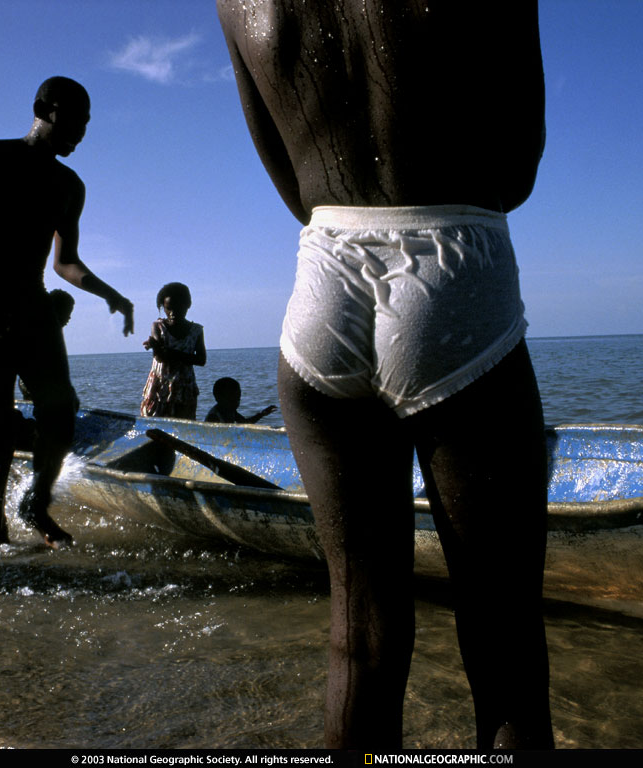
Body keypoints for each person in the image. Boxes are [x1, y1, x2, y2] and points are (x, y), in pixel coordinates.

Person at [218, 1, 553, 750]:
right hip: (455, 262)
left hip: (323, 277)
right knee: (504, 646)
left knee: (360, 640)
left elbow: (292, 185)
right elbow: (518, 167)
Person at [0, 76, 134, 548]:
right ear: (45, 109)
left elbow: (65, 262)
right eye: (75, 121)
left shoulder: (69, 185)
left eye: (87, 124)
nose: (81, 133)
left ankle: (35, 504)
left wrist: (109, 293)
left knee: (61, 414)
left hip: (33, 306)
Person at [140, 282, 206, 419]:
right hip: (160, 386)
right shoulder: (158, 326)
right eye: (168, 309)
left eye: (178, 308)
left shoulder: (196, 330)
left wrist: (164, 350)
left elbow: (201, 360)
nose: (172, 313)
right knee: (155, 423)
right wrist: (158, 348)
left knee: (183, 424)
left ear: (188, 305)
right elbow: (160, 357)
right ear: (163, 308)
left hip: (184, 387)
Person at [204, 377, 277, 424]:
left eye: (238, 398)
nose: (236, 402)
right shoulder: (214, 417)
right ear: (218, 398)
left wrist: (262, 414)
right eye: (231, 399)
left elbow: (245, 423)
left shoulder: (230, 411)